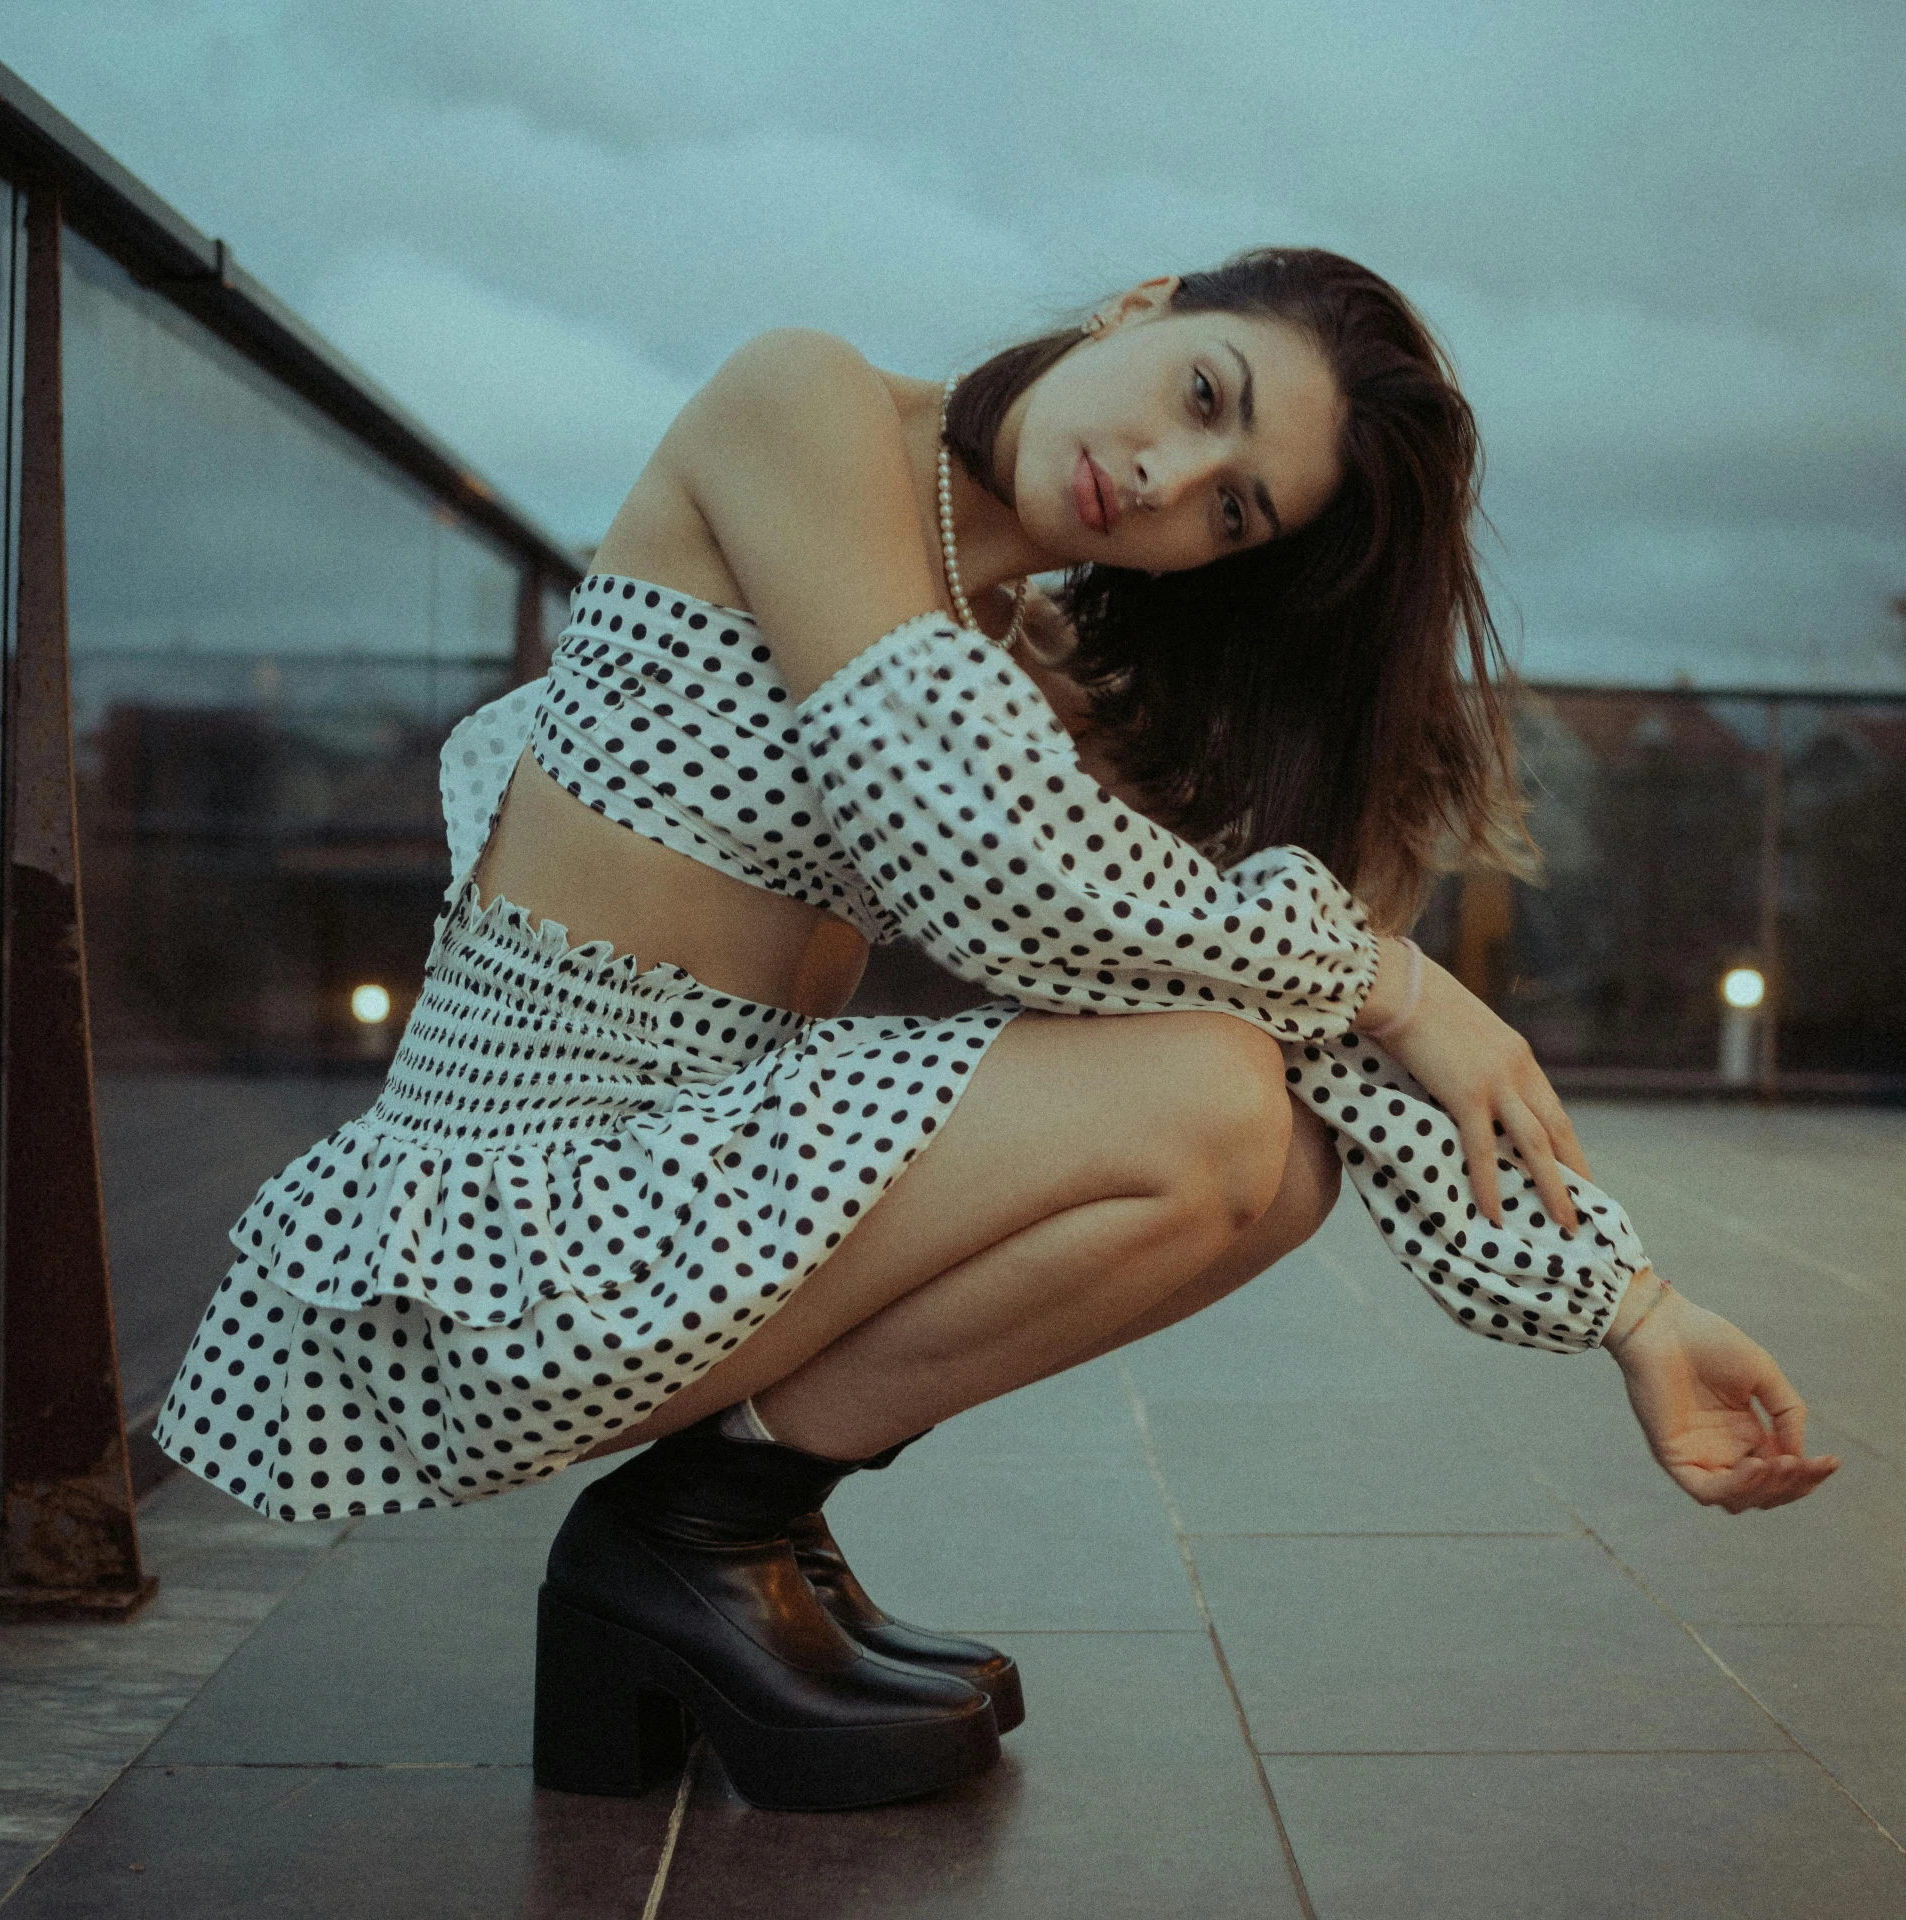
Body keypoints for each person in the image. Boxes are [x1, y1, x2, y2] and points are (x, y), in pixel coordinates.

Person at [155, 247, 1838, 1813]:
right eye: (1203, 395)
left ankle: (721, 1518)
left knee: (1278, 1139)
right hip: (502, 1235)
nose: (1170, 483)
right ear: (1144, 306)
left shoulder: (1003, 648)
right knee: (1209, 1103)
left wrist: (1631, 1304)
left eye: (1233, 512)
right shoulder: (804, 410)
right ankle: (686, 1543)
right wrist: (1407, 977)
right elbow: (998, 870)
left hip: (689, 1209)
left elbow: (1260, 994)